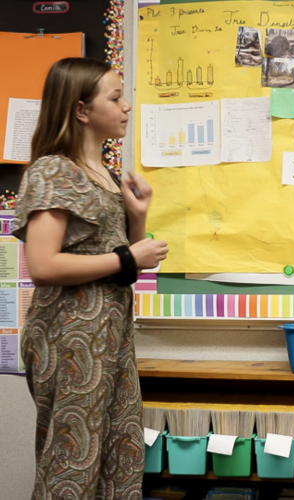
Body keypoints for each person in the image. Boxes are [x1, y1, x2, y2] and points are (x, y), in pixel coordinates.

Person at [13, 58, 168, 500]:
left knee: (121, 452)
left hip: (110, 336)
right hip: (71, 340)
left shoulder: (103, 174)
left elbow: (124, 266)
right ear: (82, 110)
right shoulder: (54, 170)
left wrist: (136, 219)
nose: (128, 106)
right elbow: (43, 266)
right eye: (116, 97)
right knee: (71, 461)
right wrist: (127, 256)